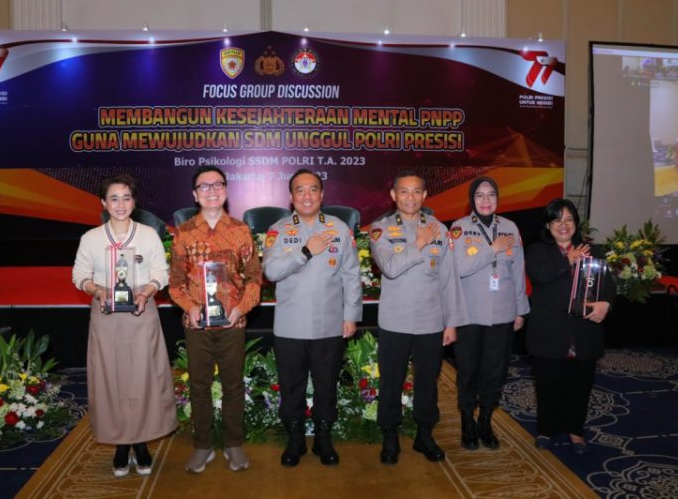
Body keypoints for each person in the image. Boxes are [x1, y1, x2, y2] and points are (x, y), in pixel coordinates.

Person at [72, 174, 177, 477]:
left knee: (142, 379)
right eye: (114, 198)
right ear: (103, 203)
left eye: (127, 197)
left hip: (141, 315)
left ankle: (141, 443)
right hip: (105, 318)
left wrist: (147, 291)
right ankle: (120, 445)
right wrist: (97, 290)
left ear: (135, 202)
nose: (120, 204)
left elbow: (162, 271)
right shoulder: (91, 238)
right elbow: (79, 274)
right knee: (111, 381)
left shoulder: (148, 235)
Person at [262, 168, 362, 467]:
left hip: (329, 324)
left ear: (322, 194)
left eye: (313, 189)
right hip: (290, 325)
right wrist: (305, 252)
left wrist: (351, 316)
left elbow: (352, 276)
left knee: (326, 385)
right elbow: (271, 272)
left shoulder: (339, 228)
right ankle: (295, 439)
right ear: (291, 197)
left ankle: (323, 438)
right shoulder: (277, 230)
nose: (307, 195)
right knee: (291, 386)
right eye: (300, 190)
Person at [369, 171, 468, 465]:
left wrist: (452, 322)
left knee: (428, 382)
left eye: (416, 192)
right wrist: (419, 244)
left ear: (425, 196)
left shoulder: (439, 228)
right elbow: (389, 266)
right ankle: (390, 434)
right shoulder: (381, 229)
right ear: (393, 195)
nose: (410, 197)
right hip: (395, 320)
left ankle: (425, 434)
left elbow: (449, 279)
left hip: (431, 321)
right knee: (391, 381)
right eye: (404, 192)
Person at [169, 165, 262, 473]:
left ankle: (234, 443)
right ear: (195, 195)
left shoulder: (240, 230)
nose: (211, 190)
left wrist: (241, 308)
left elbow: (254, 278)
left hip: (232, 323)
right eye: (204, 186)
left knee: (234, 384)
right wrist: (189, 307)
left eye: (217, 184)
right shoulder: (183, 233)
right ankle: (203, 445)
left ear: (226, 190)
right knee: (199, 385)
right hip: (197, 325)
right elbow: (176, 283)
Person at [525, 198, 614, 455]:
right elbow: (540, 275)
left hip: (583, 333)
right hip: (549, 333)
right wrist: (568, 261)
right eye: (557, 220)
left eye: (569, 220)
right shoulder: (538, 251)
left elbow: (610, 285)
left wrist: (606, 304)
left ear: (576, 224)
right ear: (548, 224)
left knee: (580, 385)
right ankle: (546, 429)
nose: (563, 225)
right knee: (548, 384)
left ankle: (576, 430)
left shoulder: (593, 252)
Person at [449, 176, 529, 450]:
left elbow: (518, 271)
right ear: (472, 199)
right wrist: (492, 249)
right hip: (469, 315)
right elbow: (458, 267)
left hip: (503, 313)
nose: (486, 200)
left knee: (495, 371)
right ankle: (467, 422)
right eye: (480, 195)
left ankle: (485, 419)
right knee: (468, 370)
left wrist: (521, 309)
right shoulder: (459, 228)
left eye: (491, 195)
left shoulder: (510, 227)